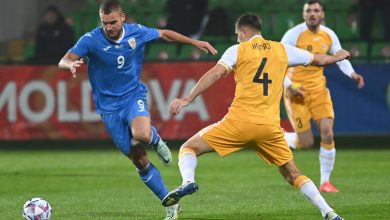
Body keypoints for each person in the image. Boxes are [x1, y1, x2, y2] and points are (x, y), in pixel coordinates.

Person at [162, 14, 347, 220]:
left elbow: (215, 73)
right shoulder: (282, 49)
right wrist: (337, 57)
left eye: (237, 35)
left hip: (239, 123)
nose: (237, 38)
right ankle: (329, 212)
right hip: (269, 128)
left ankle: (188, 181)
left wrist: (187, 99)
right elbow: (319, 60)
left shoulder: (237, 50)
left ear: (243, 31)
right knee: (292, 173)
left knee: (189, 148)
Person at [58, 1, 217, 219]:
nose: (109, 27)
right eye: (105, 23)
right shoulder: (91, 39)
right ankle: (170, 204)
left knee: (141, 133)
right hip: (108, 109)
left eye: (113, 22)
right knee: (139, 160)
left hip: (133, 96)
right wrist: (70, 65)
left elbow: (164, 35)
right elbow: (65, 59)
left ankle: (156, 140)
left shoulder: (137, 32)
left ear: (122, 17)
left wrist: (193, 42)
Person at [281, 0, 365, 193]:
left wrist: (352, 74)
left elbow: (340, 57)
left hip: (319, 91)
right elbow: (278, 63)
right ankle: (282, 137)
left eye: (316, 10)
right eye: (308, 10)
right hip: (296, 92)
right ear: (303, 15)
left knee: (327, 132)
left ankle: (325, 182)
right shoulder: (292, 35)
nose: (312, 13)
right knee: (306, 143)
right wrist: (289, 86)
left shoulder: (329, 34)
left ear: (322, 14)